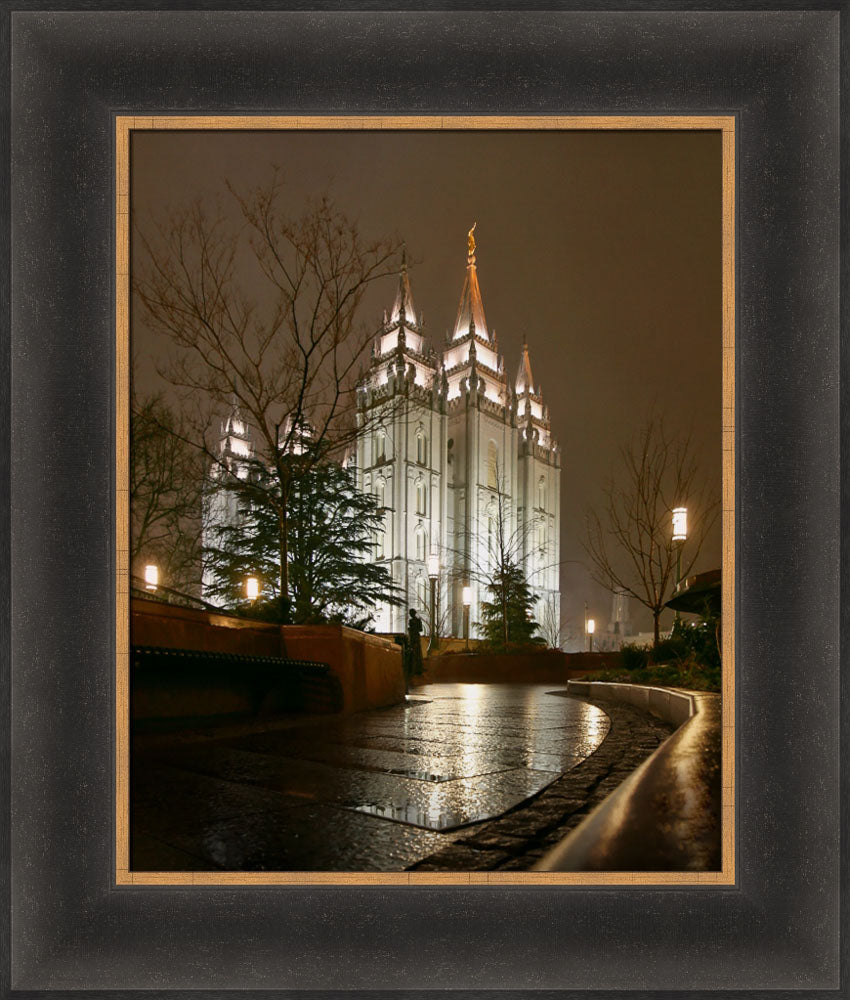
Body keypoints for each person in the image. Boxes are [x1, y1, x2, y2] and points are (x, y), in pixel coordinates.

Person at [407, 608, 424, 680]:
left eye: (411, 613)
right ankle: (412, 669)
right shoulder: (410, 621)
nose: (410, 614)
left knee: (417, 652)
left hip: (415, 637)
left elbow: (420, 629)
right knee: (412, 652)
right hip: (412, 637)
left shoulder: (418, 620)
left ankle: (417, 669)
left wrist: (413, 629)